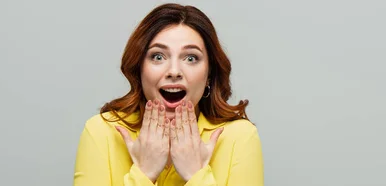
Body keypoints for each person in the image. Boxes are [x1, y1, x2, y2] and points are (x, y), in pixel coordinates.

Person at [73, 3, 264, 186]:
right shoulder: (101, 132)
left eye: (191, 58)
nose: (174, 71)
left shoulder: (240, 137)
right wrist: (144, 174)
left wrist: (196, 174)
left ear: (209, 75)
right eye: (158, 56)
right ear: (140, 69)